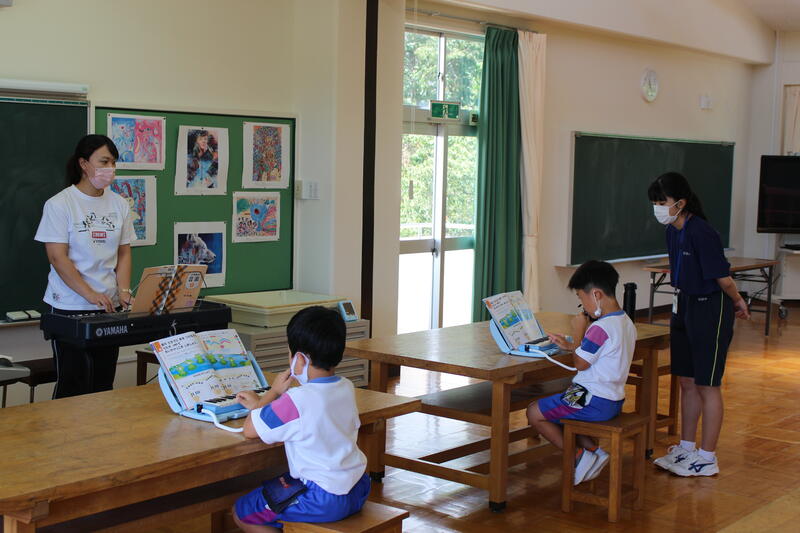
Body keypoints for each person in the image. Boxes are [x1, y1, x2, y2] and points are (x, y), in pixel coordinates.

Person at [233, 306, 370, 532]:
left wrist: (273, 392)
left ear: (299, 359)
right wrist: (261, 404)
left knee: (244, 512)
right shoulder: (346, 387)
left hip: (323, 499)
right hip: (358, 487)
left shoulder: (296, 399)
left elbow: (250, 430)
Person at [648, 172, 749, 477]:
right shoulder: (672, 231)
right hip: (683, 304)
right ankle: (687, 447)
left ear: (680, 203)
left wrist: (738, 300)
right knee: (687, 381)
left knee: (707, 383)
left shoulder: (702, 232)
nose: (657, 208)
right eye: (654, 202)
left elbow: (723, 278)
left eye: (662, 202)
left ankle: (707, 457)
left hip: (710, 307)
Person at [34, 134, 134, 398]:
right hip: (69, 306)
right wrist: (89, 294)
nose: (110, 168)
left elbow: (124, 252)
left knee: (103, 385)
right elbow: (58, 257)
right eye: (104, 161)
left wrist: (123, 291)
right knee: (73, 385)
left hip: (108, 308)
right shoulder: (60, 204)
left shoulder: (119, 204)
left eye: (113, 162)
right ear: (83, 164)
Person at [527, 260, 637, 485]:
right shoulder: (625, 322)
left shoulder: (599, 327)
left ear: (596, 295)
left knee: (534, 412)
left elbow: (580, 364)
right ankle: (595, 452)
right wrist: (571, 345)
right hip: (612, 400)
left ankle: (577, 456)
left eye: (581, 298)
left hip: (591, 399)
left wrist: (579, 331)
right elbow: (600, 355)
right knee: (561, 412)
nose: (582, 306)